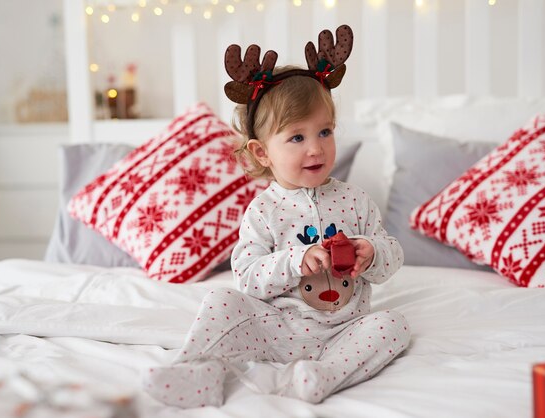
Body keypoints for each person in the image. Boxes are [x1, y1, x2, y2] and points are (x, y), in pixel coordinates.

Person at [143, 25, 410, 409]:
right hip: (274, 329)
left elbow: (390, 261)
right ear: (263, 152)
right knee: (221, 300)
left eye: (325, 131)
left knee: (394, 325)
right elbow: (248, 278)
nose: (316, 148)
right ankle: (197, 371)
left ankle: (323, 376)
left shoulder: (355, 200)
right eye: (297, 138)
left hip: (344, 330)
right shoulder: (264, 211)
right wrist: (295, 261)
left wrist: (372, 251)